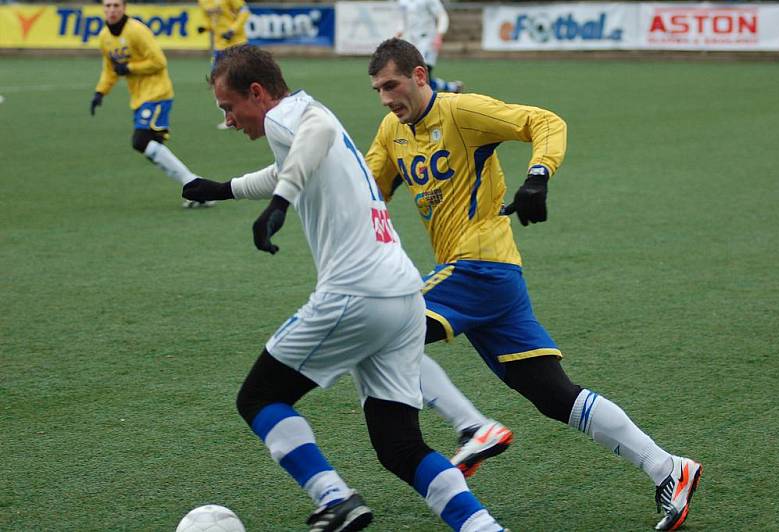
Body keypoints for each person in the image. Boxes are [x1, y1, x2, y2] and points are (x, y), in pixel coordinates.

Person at [364, 38, 703, 531]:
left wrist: (538, 176)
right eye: (377, 89)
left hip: (478, 266)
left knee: (379, 331)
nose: (386, 98)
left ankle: (473, 427)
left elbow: (545, 122)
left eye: (392, 85)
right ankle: (668, 467)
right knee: (550, 392)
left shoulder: (462, 111)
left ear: (420, 76)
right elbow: (369, 189)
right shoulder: (392, 129)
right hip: (493, 278)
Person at [182, 44, 505, 532]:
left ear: (257, 92)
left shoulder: (290, 117)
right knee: (399, 448)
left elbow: (317, 136)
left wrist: (279, 205)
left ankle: (334, 498)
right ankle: (484, 528)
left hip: (357, 293)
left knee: (259, 399)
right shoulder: (303, 116)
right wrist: (224, 188)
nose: (229, 121)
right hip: (402, 296)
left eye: (229, 108)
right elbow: (293, 165)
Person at [90, 0, 211, 208]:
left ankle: (193, 185)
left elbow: (159, 62)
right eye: (108, 6)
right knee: (151, 146)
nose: (111, 10)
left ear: (124, 8)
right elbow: (110, 68)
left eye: (116, 6)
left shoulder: (137, 31)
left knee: (140, 140)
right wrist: (101, 91)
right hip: (139, 98)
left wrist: (129, 68)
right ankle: (197, 189)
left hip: (157, 92)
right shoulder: (104, 37)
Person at [196, 0, 250, 129]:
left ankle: (252, 113)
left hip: (237, 43)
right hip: (219, 47)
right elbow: (215, 19)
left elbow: (245, 12)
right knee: (217, 82)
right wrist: (206, 27)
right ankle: (230, 118)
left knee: (242, 80)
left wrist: (232, 30)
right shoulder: (203, 1)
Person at [395, 0, 463, 93]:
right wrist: (398, 34)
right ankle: (451, 87)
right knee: (415, 74)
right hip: (412, 41)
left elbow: (441, 15)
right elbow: (402, 19)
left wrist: (439, 35)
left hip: (427, 39)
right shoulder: (403, 2)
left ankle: (433, 102)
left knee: (424, 72)